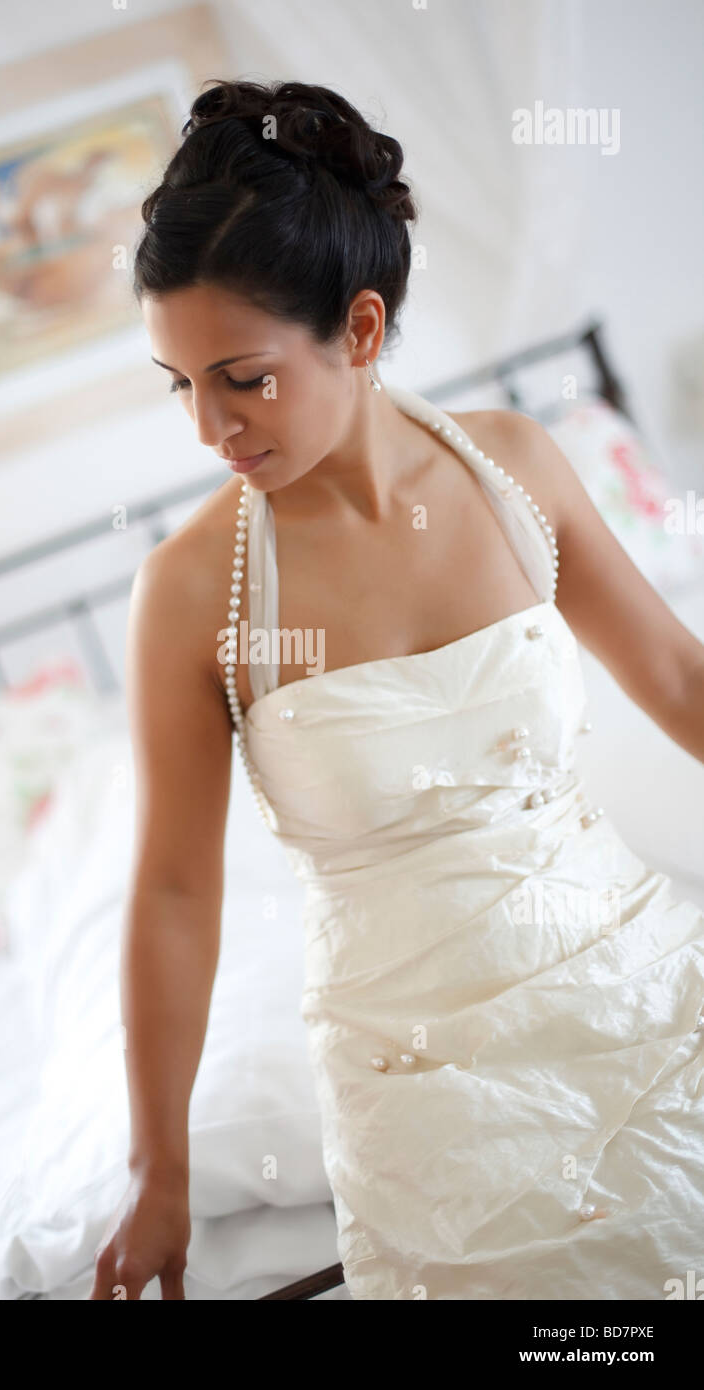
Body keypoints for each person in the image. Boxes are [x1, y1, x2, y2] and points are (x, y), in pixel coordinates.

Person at [90, 78, 704, 1301]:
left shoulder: (513, 470)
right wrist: (158, 1172)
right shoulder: (190, 591)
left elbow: (681, 676)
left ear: (359, 331)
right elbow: (169, 889)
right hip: (419, 1085)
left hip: (637, 996)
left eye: (241, 376)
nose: (208, 425)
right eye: (179, 384)